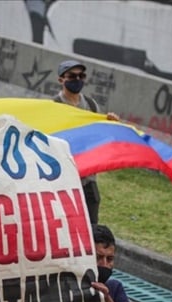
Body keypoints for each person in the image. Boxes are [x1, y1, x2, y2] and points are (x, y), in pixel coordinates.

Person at [53, 59, 120, 225]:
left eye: (81, 76)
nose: (77, 80)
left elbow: (100, 136)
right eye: (72, 76)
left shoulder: (90, 105)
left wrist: (111, 124)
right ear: (61, 79)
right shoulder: (54, 106)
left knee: (91, 225)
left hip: (88, 179)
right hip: (62, 178)